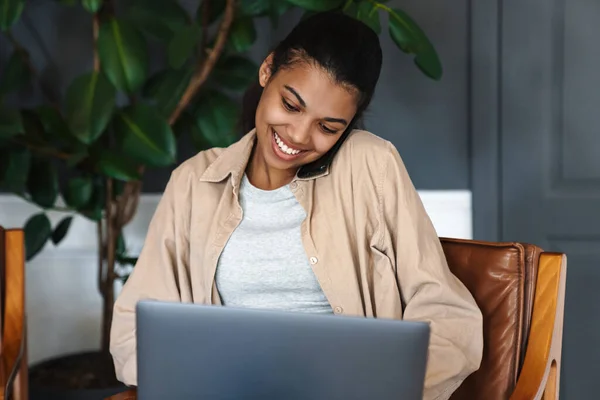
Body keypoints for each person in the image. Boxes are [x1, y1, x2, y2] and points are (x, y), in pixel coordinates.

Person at [110, 11, 483, 400]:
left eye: (328, 128)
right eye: (291, 105)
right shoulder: (194, 182)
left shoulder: (371, 165)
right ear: (268, 69)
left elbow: (449, 317)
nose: (299, 136)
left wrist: (381, 390)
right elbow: (133, 332)